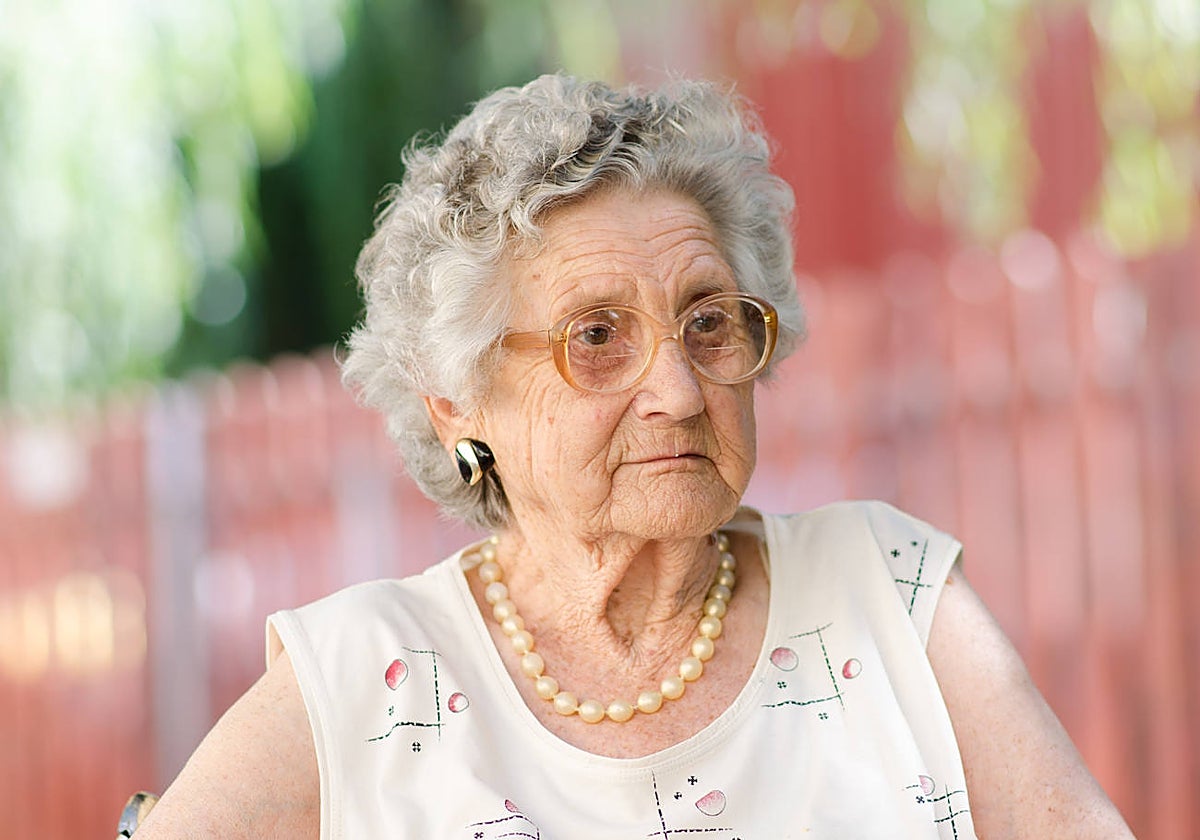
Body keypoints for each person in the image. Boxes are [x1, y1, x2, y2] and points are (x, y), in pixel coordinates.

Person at [135, 74, 1133, 839]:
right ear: (456, 407)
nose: (680, 391)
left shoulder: (890, 594)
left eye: (708, 322)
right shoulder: (361, 679)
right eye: (598, 336)